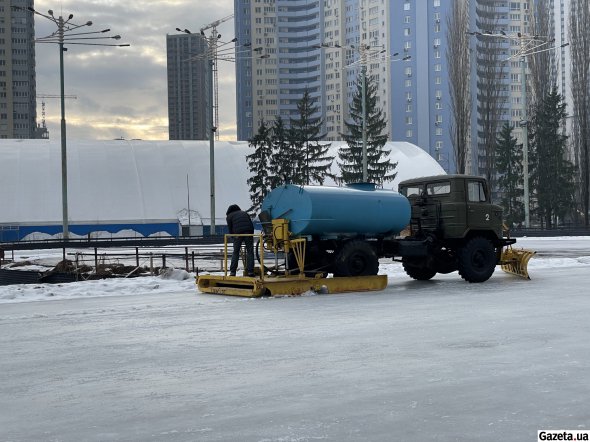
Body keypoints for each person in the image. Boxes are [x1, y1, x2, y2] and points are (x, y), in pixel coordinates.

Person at [226, 204, 255, 277]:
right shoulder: (244, 213)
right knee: (250, 252)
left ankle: (232, 272)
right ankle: (250, 271)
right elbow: (250, 224)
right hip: (248, 232)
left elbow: (230, 229)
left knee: (235, 252)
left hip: (238, 234)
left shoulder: (229, 216)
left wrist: (233, 237)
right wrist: (251, 235)